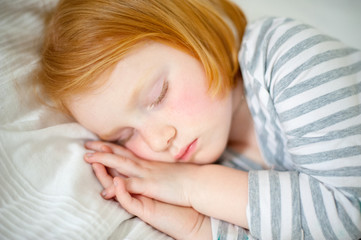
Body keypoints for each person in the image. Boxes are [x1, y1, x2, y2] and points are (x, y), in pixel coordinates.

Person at [38, 0, 361, 239]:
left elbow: (351, 215)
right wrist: (197, 227)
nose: (156, 140)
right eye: (123, 137)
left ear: (194, 36)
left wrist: (191, 187)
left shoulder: (288, 57)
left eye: (158, 95)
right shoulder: (221, 161)